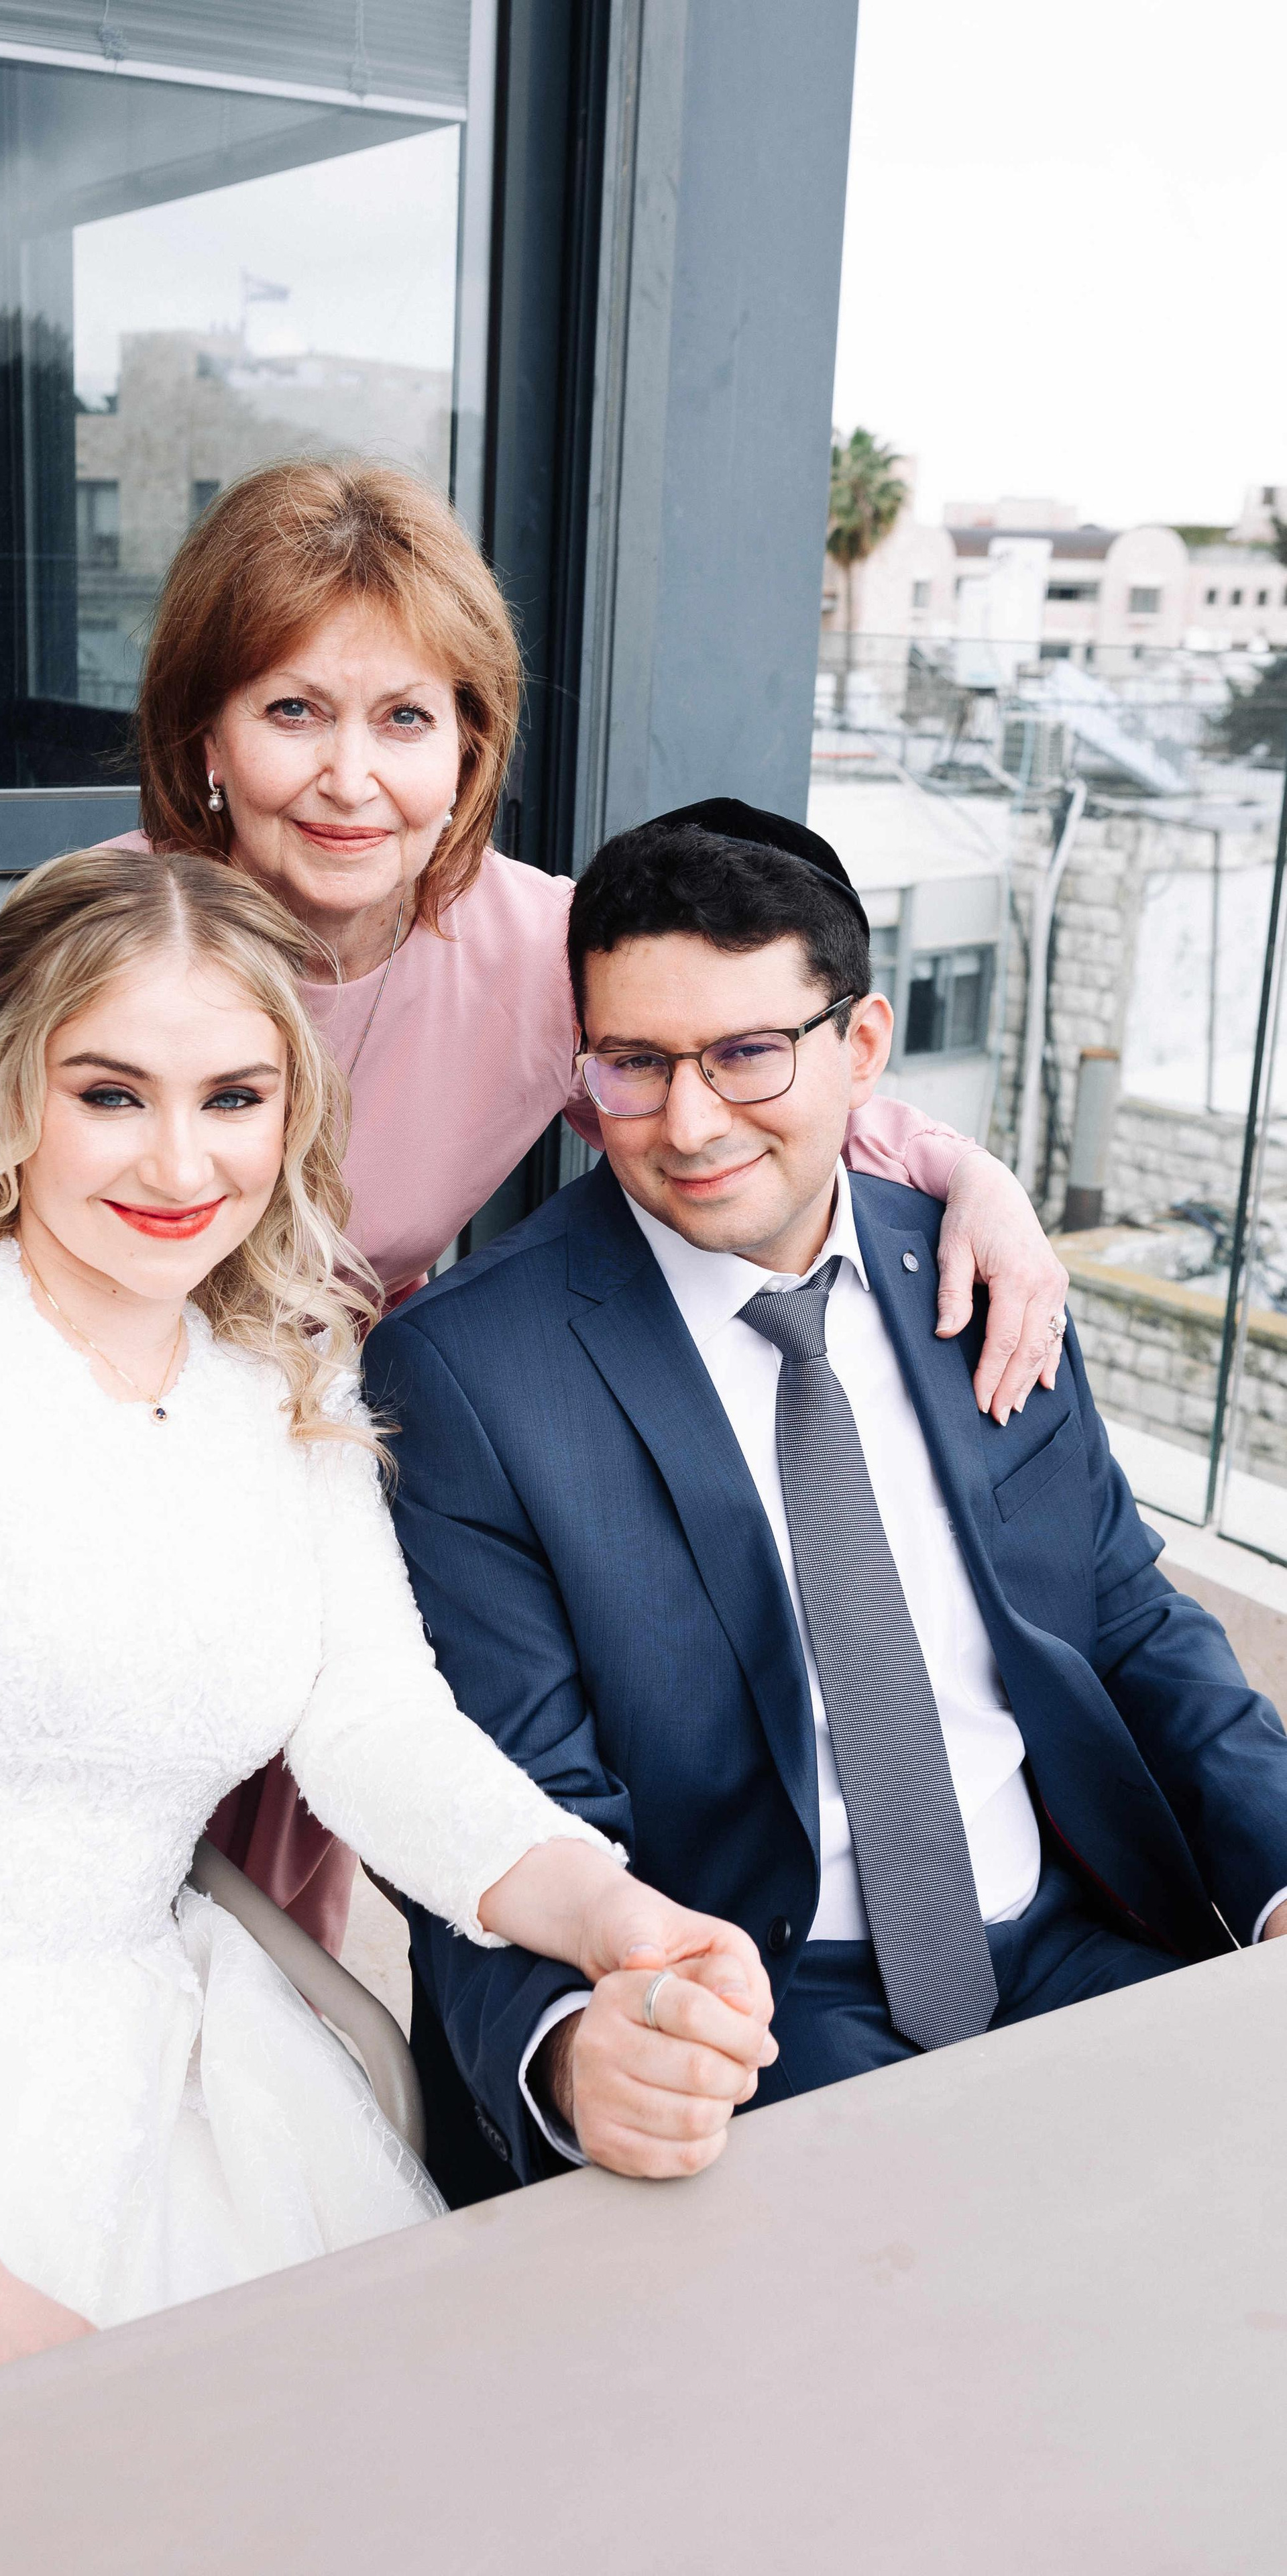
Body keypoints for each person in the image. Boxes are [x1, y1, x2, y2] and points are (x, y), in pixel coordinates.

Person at [0, 459, 1069, 1955]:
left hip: (305, 1457)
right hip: (63, 1469)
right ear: (206, 738)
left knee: (283, 1928)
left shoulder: (543, 947)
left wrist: (975, 1179)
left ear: (469, 746)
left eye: (404, 720)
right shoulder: (106, 939)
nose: (350, 779)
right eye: (294, 710)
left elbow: (759, 1095)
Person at [0, 845, 776, 2510]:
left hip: (136, 2053)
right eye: (110, 1095)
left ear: (292, 1115)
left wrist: (610, 1914)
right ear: (12, 1092)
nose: (178, 1162)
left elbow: (374, 1725)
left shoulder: (285, 1386)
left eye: (232, 1099)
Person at [364, 808, 1287, 2198]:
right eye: (634, 1063)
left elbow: (1130, 1622)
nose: (687, 1125)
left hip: (1076, 1938)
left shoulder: (984, 1281)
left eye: (746, 1053)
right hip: (756, 2010)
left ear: (860, 1048)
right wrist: (570, 2050)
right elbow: (497, 1798)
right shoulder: (468, 1375)